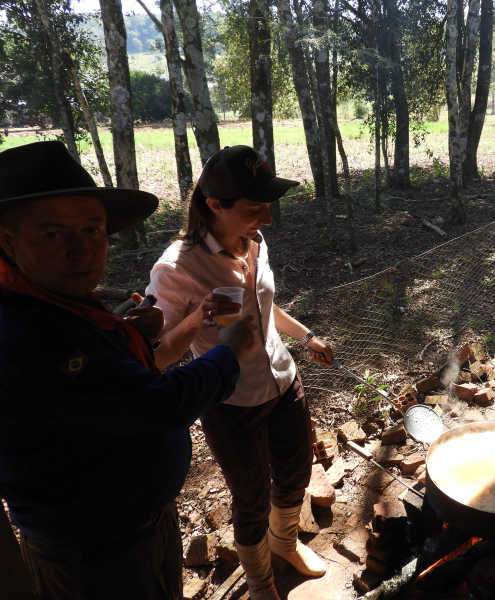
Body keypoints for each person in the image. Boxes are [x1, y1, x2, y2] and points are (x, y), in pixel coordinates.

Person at [0, 141, 258, 600]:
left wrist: (140, 332)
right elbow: (162, 403)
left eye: (93, 229)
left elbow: (116, 376)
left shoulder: (56, 300)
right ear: (7, 240)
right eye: (54, 235)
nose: (82, 251)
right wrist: (229, 349)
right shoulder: (26, 334)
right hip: (95, 550)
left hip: (138, 523)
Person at [146, 146, 334, 600]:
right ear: (215, 206)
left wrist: (306, 335)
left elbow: (263, 309)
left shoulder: (254, 241)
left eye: (267, 205)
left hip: (285, 383)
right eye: (254, 209)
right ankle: (259, 582)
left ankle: (284, 545)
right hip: (232, 403)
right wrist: (194, 322)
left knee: (294, 474)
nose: (267, 219)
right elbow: (154, 358)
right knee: (250, 499)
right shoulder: (177, 268)